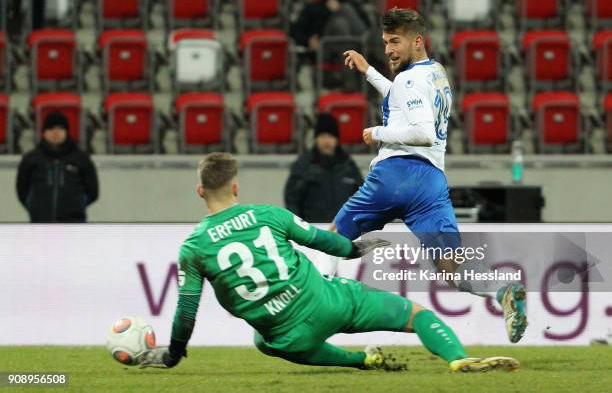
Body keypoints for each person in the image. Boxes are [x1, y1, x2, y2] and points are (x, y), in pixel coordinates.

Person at [140, 152, 519, 372]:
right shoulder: (269, 215)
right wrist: (354, 250)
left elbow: (186, 311)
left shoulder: (193, 247)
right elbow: (322, 240)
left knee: (264, 341)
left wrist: (174, 353)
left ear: (199, 191)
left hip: (288, 335)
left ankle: (359, 362)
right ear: (235, 187)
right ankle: (457, 360)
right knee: (417, 315)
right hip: (329, 302)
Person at [338, 8, 528, 343]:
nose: (388, 50)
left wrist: (379, 133)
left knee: (335, 237)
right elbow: (402, 96)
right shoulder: (435, 73)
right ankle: (503, 290)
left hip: (396, 175)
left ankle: (304, 316)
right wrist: (369, 72)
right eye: (385, 43)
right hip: (430, 184)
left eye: (395, 42)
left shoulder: (409, 79)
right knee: (452, 269)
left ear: (417, 41)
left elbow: (422, 130)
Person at [16, 111, 99, 223]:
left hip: (74, 225)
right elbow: (22, 190)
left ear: (66, 132)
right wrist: (34, 207)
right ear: (44, 132)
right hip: (39, 225)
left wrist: (78, 204)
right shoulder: (31, 159)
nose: (55, 132)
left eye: (60, 128)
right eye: (50, 128)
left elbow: (93, 191)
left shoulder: (82, 159)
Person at [284, 113, 363, 223]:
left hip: (345, 230)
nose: (326, 141)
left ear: (336, 139)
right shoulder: (303, 165)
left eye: (330, 137)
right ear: (316, 139)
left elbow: (362, 197)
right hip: (314, 231)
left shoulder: (348, 165)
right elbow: (292, 200)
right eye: (322, 137)